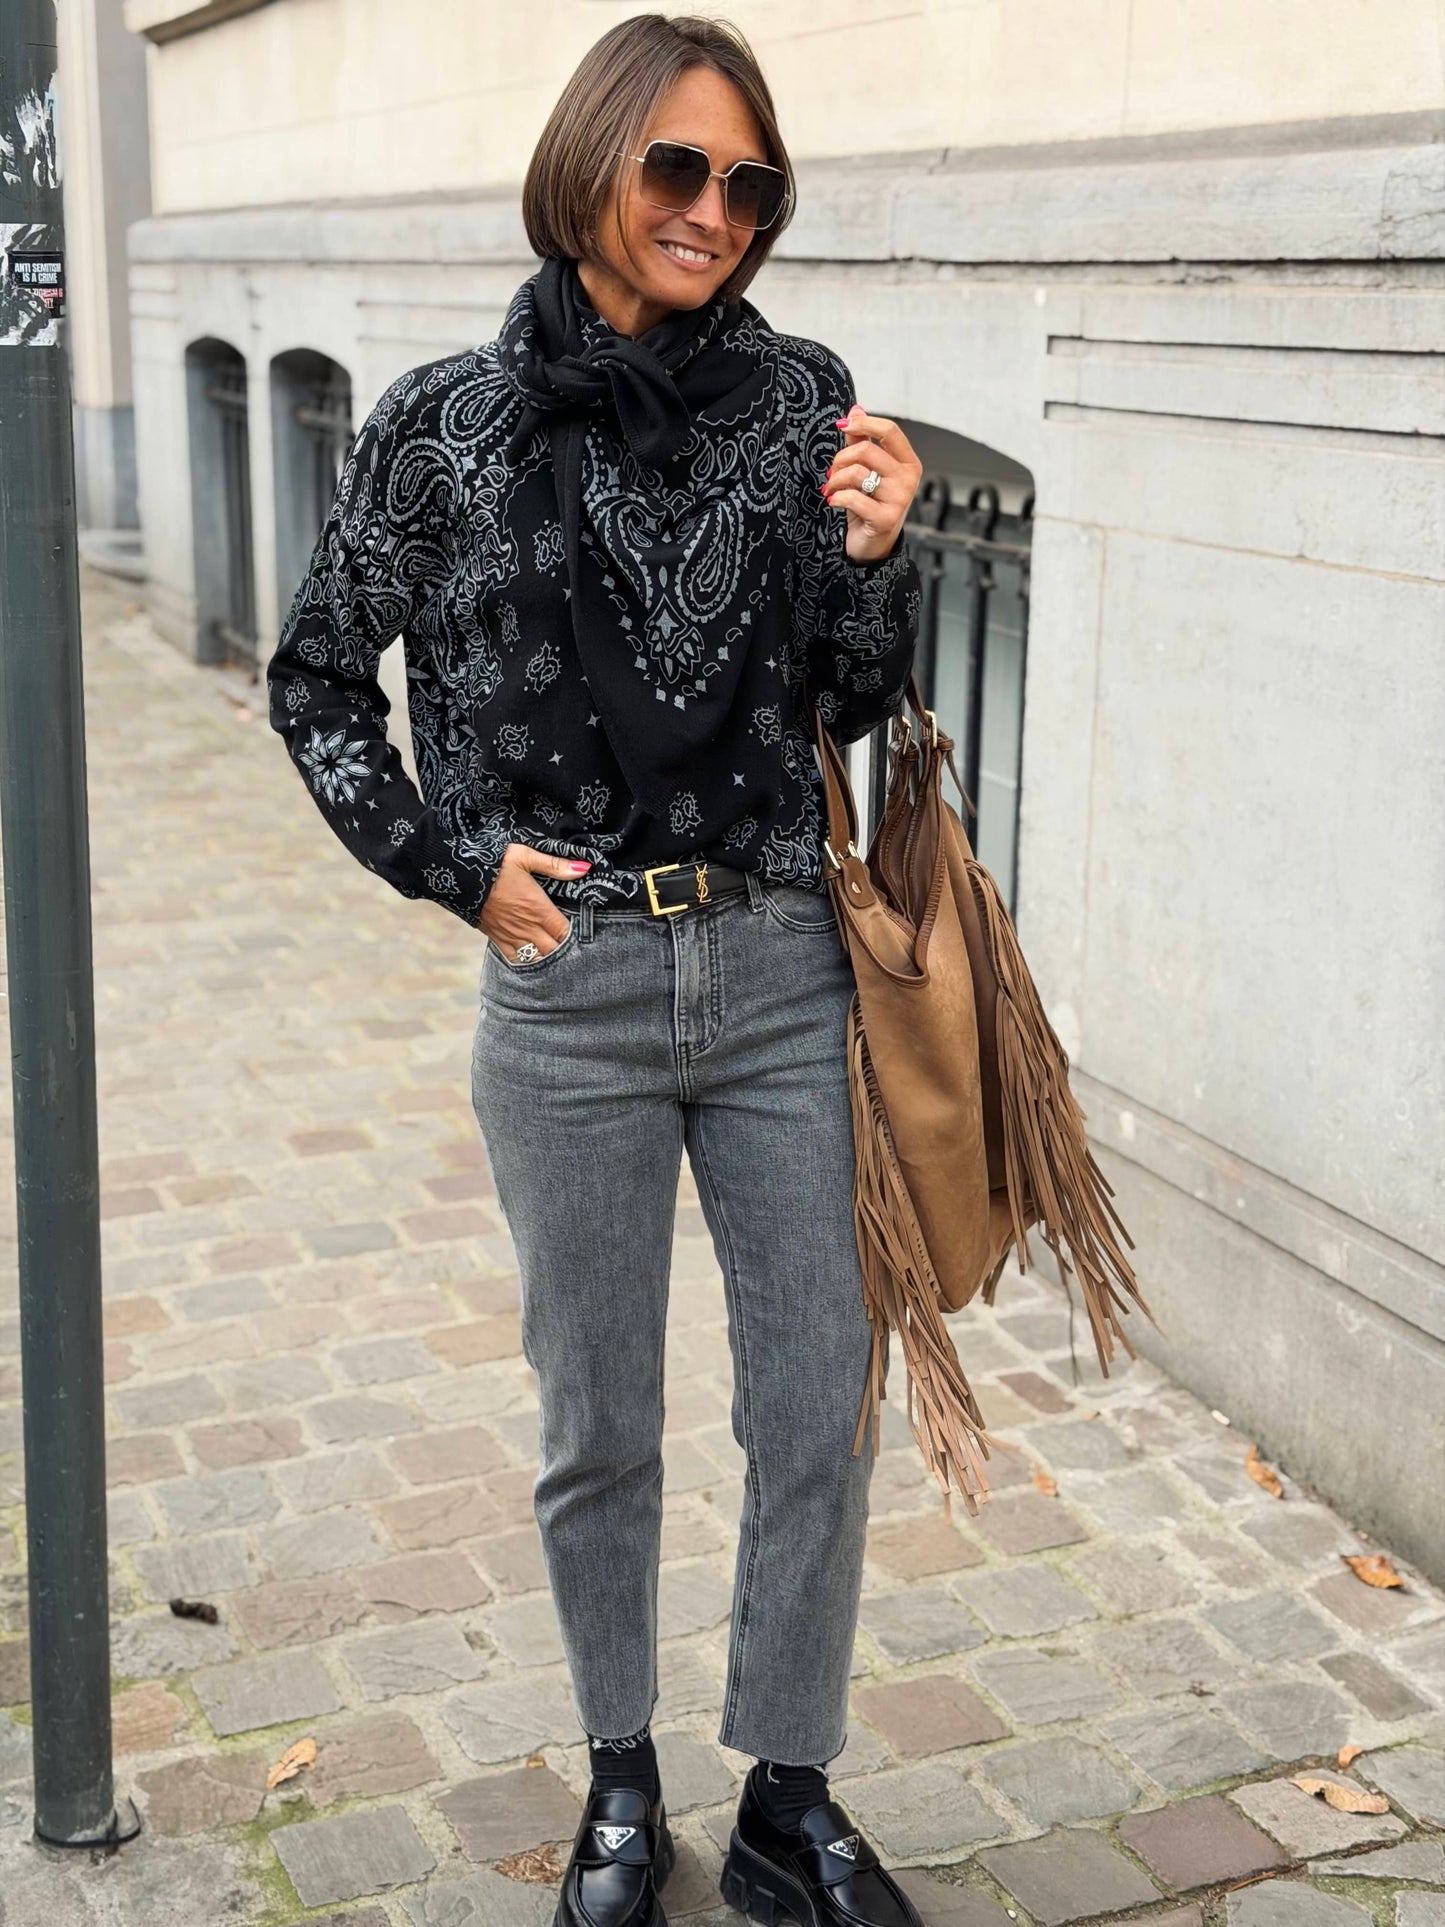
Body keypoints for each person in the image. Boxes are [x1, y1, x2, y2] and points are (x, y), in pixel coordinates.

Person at [267, 16, 926, 1927]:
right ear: (590, 166)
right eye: (677, 169)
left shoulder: (801, 402)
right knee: (598, 1424)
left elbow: (845, 701)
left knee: (813, 1404)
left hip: (780, 971)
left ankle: (788, 1793)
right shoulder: (441, 425)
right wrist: (451, 871)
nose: (714, 210)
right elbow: (317, 677)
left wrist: (876, 558)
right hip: (570, 996)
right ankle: (622, 1778)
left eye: (749, 184)